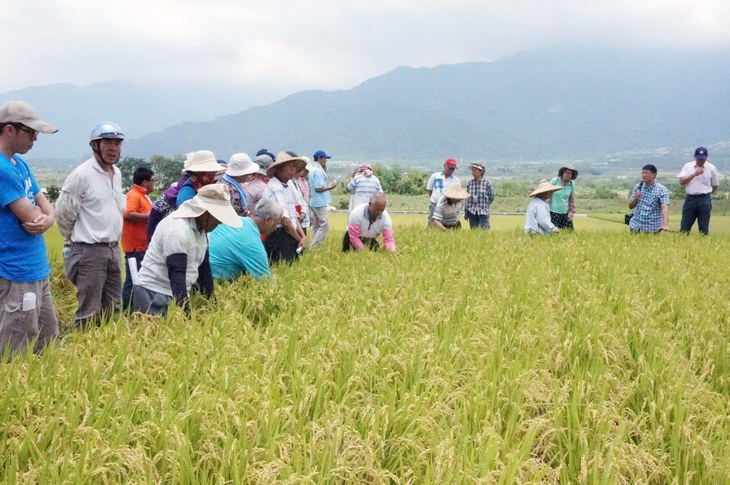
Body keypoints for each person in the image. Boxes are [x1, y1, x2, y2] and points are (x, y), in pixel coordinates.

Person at [0, 101, 59, 358]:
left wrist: (50, 217)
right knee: (17, 348)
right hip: (16, 272)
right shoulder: (2, 169)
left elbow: (46, 207)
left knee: (47, 339)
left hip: (36, 268)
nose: (36, 138)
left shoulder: (19, 164)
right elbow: (33, 219)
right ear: (10, 130)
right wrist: (46, 217)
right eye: (31, 132)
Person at [56, 121, 127, 328]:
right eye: (108, 143)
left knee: (113, 308)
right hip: (89, 251)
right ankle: (83, 354)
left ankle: (107, 350)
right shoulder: (81, 175)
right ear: (95, 145)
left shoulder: (117, 173)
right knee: (89, 310)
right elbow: (63, 212)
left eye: (117, 143)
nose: (114, 148)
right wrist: (73, 239)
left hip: (113, 249)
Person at [131, 185, 242, 316]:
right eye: (218, 217)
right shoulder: (178, 230)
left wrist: (212, 305)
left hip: (177, 291)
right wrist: (185, 314)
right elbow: (176, 274)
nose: (220, 222)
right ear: (204, 212)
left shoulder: (203, 231)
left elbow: (204, 269)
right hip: (155, 293)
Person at [209, 198, 283, 282]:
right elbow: (266, 283)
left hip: (196, 270)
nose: (275, 228)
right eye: (277, 223)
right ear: (268, 220)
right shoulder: (254, 245)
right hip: (209, 283)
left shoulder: (234, 219)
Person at [263, 152, 307, 263]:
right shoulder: (276, 187)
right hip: (279, 235)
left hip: (288, 234)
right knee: (282, 266)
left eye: (294, 166)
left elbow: (292, 215)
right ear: (279, 168)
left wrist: (303, 236)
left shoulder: (285, 186)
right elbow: (284, 220)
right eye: (289, 165)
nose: (293, 169)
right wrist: (299, 239)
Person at [121, 166, 154, 311]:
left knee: (139, 279)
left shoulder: (143, 195)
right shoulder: (134, 195)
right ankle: (128, 310)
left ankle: (137, 309)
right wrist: (149, 216)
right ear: (145, 182)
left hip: (143, 245)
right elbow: (127, 213)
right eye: (152, 180)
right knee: (132, 280)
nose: (154, 183)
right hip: (136, 246)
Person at [678, 147, 719, 235]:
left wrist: (707, 193)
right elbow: (682, 181)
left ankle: (703, 243)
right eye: (699, 158)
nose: (701, 161)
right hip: (690, 198)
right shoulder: (688, 166)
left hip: (704, 199)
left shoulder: (711, 168)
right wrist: (694, 174)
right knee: (685, 225)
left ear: (706, 157)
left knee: (703, 226)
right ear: (694, 156)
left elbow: (715, 185)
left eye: (703, 159)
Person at [628, 164, 671, 233]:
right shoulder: (638, 187)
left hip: (652, 227)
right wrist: (636, 198)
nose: (644, 175)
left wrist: (665, 224)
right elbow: (630, 206)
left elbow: (665, 207)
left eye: (647, 173)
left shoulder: (661, 189)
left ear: (654, 175)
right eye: (643, 173)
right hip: (636, 225)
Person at [309, 150, 338, 249]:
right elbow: (318, 188)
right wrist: (330, 187)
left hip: (314, 201)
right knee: (324, 225)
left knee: (316, 226)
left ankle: (313, 247)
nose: (325, 161)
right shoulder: (318, 171)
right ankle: (315, 247)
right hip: (319, 202)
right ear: (320, 158)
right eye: (324, 158)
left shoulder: (313, 169)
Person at [220, 153, 257, 217]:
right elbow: (237, 216)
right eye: (248, 174)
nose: (249, 175)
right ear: (241, 175)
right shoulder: (232, 191)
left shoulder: (224, 180)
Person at [427, 159, 461, 226]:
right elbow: (430, 190)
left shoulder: (456, 181)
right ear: (444, 165)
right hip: (435, 203)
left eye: (453, 169)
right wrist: (436, 199)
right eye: (449, 168)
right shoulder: (435, 176)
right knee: (432, 222)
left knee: (447, 223)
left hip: (447, 205)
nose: (451, 170)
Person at [464, 163, 494, 230]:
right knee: (474, 231)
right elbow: (467, 199)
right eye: (472, 171)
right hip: (472, 211)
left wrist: (485, 204)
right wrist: (466, 213)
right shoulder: (470, 183)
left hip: (483, 211)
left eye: (475, 170)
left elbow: (491, 196)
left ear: (480, 172)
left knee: (485, 230)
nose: (473, 172)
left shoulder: (487, 183)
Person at [550, 164, 578, 231]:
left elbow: (572, 199)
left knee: (569, 232)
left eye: (570, 173)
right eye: (566, 172)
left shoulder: (571, 184)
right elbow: (547, 194)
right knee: (553, 232)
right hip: (553, 212)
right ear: (562, 173)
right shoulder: (554, 181)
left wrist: (571, 211)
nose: (567, 174)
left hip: (565, 213)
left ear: (572, 175)